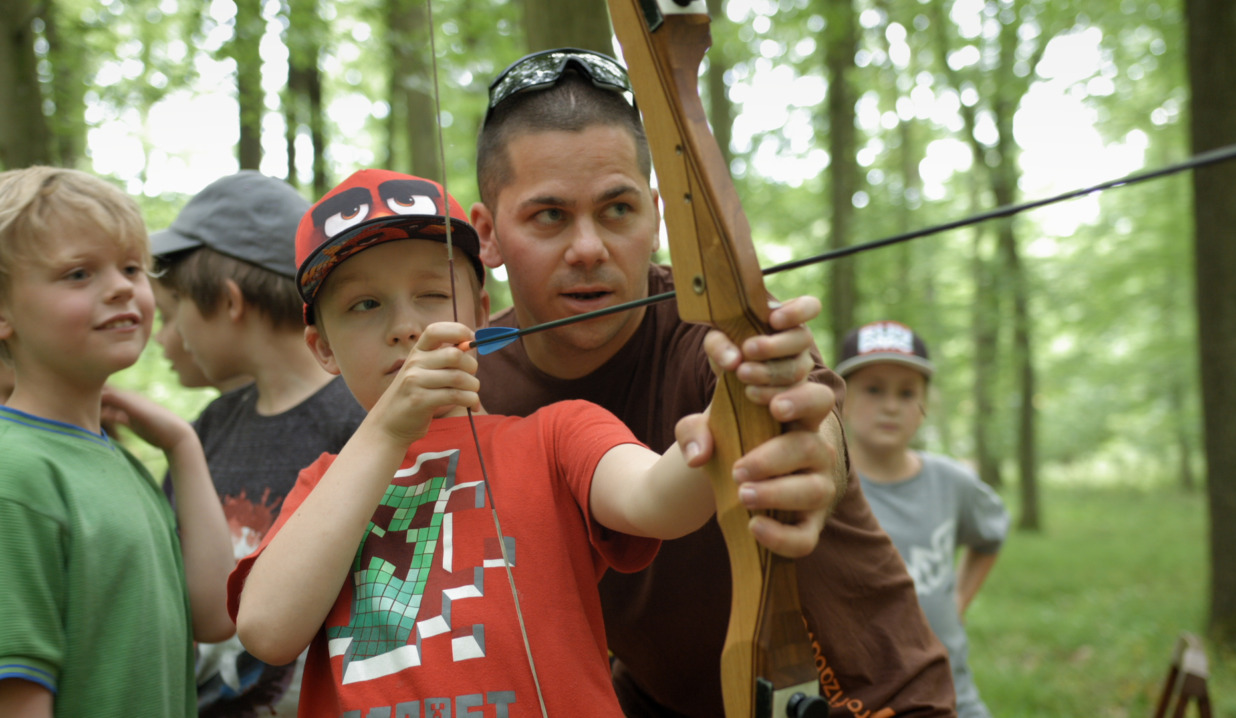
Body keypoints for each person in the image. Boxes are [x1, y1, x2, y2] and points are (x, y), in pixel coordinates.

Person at [227, 169, 831, 717]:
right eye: (364, 304)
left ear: (483, 315)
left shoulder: (556, 434)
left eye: (433, 294)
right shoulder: (326, 485)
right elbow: (267, 630)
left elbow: (658, 498)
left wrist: (732, 406)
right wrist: (388, 429)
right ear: (322, 348)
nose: (406, 325)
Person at [470, 49, 957, 717]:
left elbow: (805, 417)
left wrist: (808, 448)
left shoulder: (717, 332)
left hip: (869, 698)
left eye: (617, 209)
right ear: (487, 235)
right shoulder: (473, 389)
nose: (589, 248)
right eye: (549, 216)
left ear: (658, 213)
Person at [0, 166, 235, 717]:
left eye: (132, 267)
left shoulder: (117, 461)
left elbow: (217, 615)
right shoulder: (15, 473)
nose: (121, 288)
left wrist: (183, 445)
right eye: (79, 273)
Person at [151, 170, 367, 717]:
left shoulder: (365, 422)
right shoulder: (209, 428)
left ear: (228, 302)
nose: (170, 331)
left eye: (175, 305)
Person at [836, 321, 1009, 718]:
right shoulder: (827, 488)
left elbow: (990, 536)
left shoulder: (952, 483)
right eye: (874, 389)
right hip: (865, 698)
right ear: (841, 399)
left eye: (907, 392)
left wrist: (959, 599)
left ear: (925, 405)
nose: (891, 405)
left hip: (953, 693)